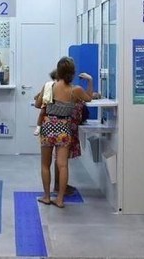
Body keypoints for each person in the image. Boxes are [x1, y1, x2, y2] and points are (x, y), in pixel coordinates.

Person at [35, 57, 92, 208]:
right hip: (64, 129)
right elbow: (89, 98)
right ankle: (60, 199)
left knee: (45, 165)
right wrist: (90, 81)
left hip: (48, 128)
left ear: (58, 71)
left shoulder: (49, 86)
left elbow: (38, 105)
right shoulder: (75, 90)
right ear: (72, 73)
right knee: (63, 166)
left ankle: (47, 197)